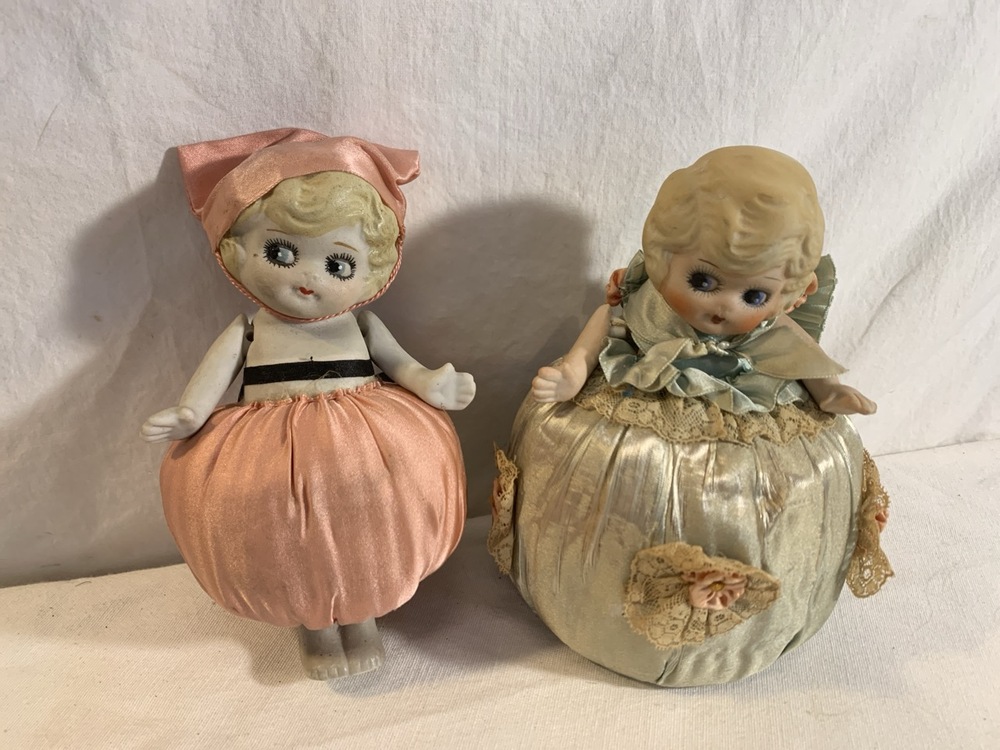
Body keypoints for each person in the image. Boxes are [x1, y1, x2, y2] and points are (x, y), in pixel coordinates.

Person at [141, 129, 475, 680]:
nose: (307, 279)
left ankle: (362, 617)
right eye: (280, 253)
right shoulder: (248, 328)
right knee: (287, 534)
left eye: (338, 265)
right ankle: (314, 626)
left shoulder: (362, 324)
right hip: (268, 445)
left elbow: (401, 365)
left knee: (367, 522)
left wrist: (431, 383)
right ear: (235, 252)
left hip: (364, 434)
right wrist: (188, 414)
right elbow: (213, 379)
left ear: (372, 271)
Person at [532, 145, 876, 416]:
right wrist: (574, 370)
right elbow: (608, 320)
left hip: (743, 399)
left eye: (754, 296)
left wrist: (830, 389)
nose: (724, 306)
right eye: (702, 282)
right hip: (647, 390)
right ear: (663, 258)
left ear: (792, 294)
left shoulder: (767, 329)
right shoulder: (651, 309)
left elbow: (799, 350)